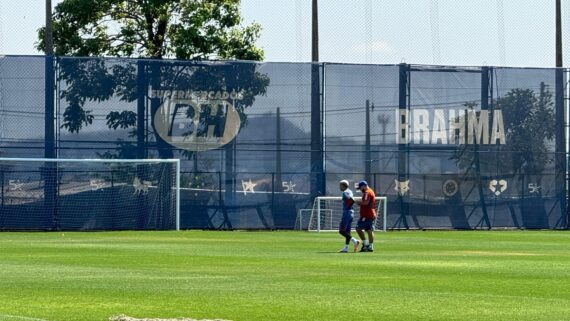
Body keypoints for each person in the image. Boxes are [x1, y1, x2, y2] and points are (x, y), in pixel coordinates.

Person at [338, 180, 360, 253]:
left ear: (343, 186)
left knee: (341, 231)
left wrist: (348, 206)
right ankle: (346, 248)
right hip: (351, 213)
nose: (339, 187)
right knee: (347, 232)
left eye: (340, 185)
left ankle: (355, 241)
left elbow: (351, 200)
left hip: (347, 213)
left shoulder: (345, 193)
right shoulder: (350, 191)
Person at [355, 180, 376, 252]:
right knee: (369, 230)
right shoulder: (370, 191)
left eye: (360, 188)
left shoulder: (367, 192)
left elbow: (365, 203)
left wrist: (356, 201)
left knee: (358, 228)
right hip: (370, 214)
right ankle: (370, 246)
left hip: (367, 215)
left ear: (364, 186)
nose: (360, 190)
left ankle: (366, 244)